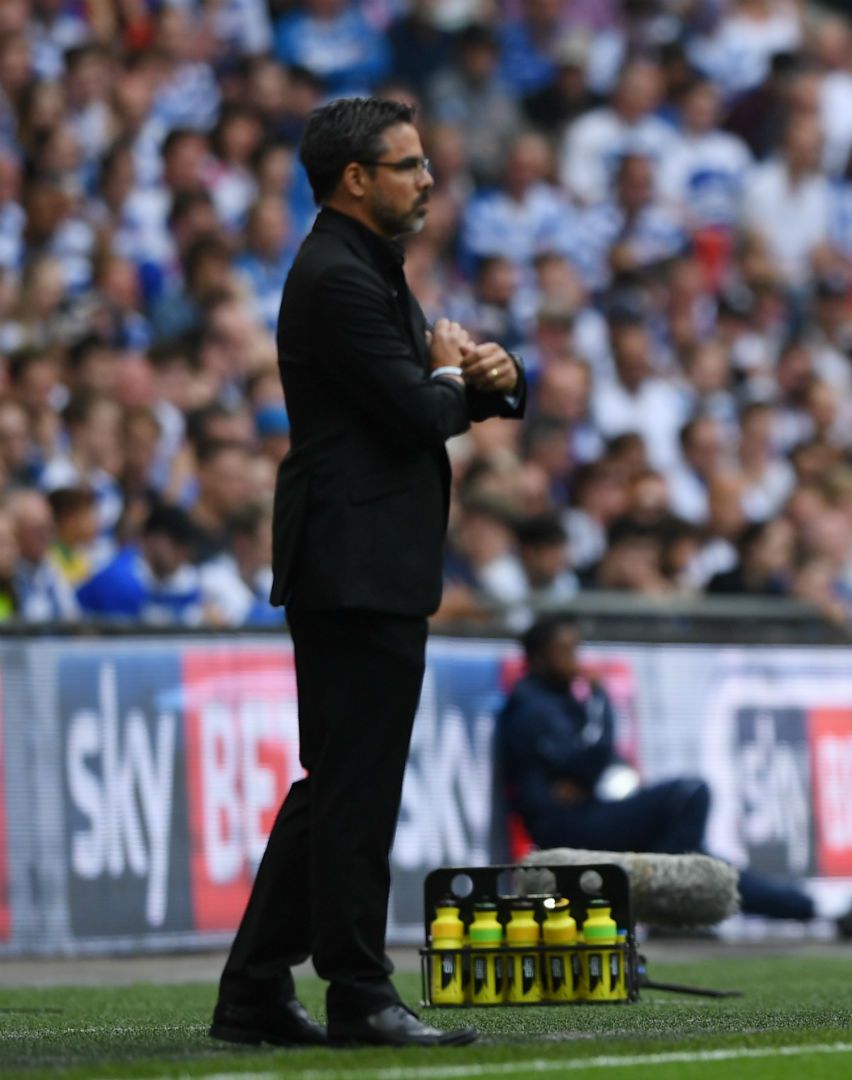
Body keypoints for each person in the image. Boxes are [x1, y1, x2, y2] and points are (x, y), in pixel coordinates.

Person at [210, 98, 525, 1050]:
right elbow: (410, 409)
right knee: (353, 788)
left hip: (369, 560)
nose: (427, 180)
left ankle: (256, 990)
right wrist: (452, 377)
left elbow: (436, 395)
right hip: (352, 561)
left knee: (339, 784)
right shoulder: (337, 276)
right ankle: (357, 991)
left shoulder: (366, 268)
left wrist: (492, 378)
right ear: (357, 179)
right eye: (409, 165)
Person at [499, 617, 852, 938]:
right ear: (537, 657)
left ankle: (829, 910)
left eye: (576, 649)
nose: (576, 660)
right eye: (565, 651)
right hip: (566, 826)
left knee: (709, 873)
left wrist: (583, 771)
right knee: (690, 794)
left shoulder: (556, 700)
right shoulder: (532, 706)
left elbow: (586, 766)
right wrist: (600, 701)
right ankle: (668, 910)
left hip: (589, 811)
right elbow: (589, 760)